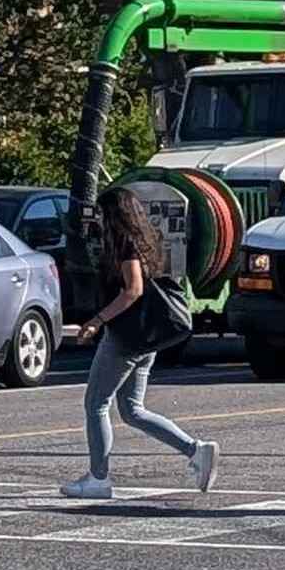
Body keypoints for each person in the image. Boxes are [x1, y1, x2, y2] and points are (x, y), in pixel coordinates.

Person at [62, 185, 218, 501]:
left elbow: (132, 289)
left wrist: (97, 321)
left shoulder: (125, 244)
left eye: (102, 214)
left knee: (96, 404)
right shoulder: (148, 241)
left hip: (126, 338)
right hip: (145, 338)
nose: (99, 219)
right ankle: (196, 450)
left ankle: (98, 478)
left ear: (115, 215)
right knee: (132, 410)